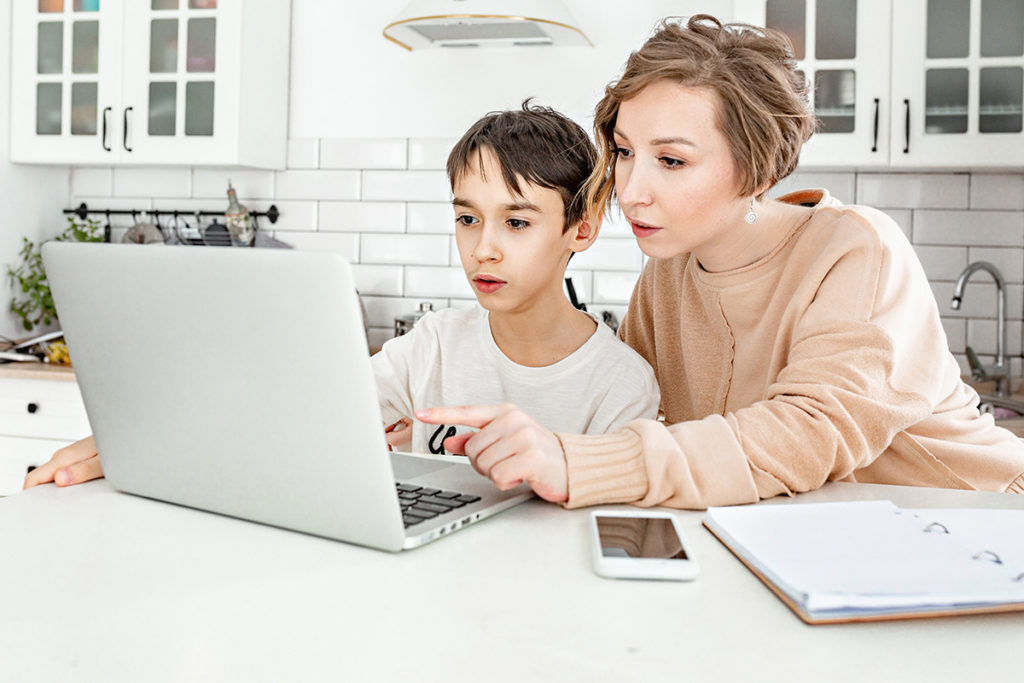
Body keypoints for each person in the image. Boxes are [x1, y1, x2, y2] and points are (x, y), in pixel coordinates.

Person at [417, 14, 1024, 508]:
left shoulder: (857, 251)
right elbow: (639, 415)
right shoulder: (668, 273)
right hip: (820, 542)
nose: (630, 190)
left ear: (756, 169)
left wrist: (572, 460)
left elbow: (806, 435)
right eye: (625, 152)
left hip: (974, 520)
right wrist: (478, 444)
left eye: (672, 161)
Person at [23, 102, 660, 489]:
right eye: (468, 218)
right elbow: (297, 414)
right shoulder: (433, 346)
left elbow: (607, 525)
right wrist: (141, 444)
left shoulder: (621, 384)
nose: (483, 248)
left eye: (516, 222)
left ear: (580, 226)